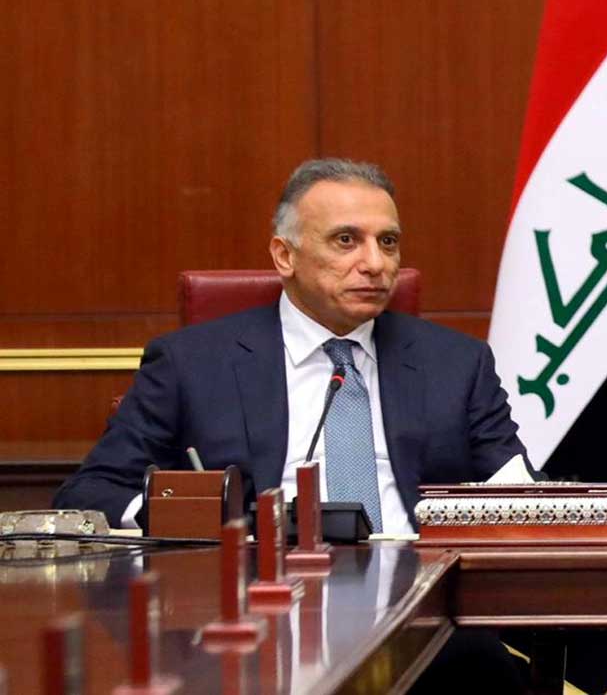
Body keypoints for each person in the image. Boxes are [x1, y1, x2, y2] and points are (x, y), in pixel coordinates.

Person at [55, 158, 534, 533]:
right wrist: (190, 520)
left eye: (388, 242)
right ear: (285, 256)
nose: (375, 263)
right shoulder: (191, 364)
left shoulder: (458, 363)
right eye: (346, 240)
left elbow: (519, 495)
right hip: (257, 589)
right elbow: (92, 491)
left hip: (423, 595)